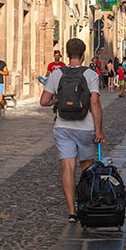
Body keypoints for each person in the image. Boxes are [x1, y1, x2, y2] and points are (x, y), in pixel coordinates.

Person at [40, 38, 105, 223]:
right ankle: (85, 204)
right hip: (85, 127)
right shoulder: (91, 74)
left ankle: (71, 212)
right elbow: (94, 102)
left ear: (66, 54)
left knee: (67, 168)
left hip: (63, 126)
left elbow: (44, 101)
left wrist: (57, 101)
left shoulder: (57, 73)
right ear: (84, 54)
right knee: (87, 169)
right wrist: (99, 130)